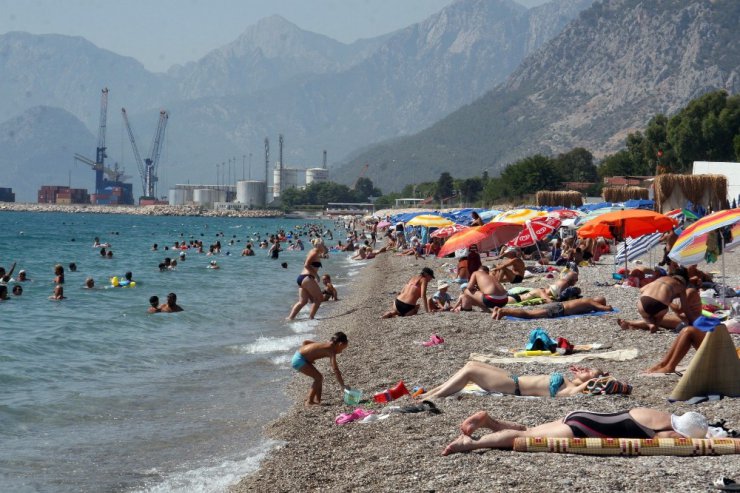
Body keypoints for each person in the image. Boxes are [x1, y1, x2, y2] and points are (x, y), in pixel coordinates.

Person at [442, 408, 709, 455]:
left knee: (530, 429)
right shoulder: (669, 433)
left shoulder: (663, 416)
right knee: (524, 438)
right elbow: (669, 443)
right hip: (585, 430)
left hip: (584, 417)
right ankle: (472, 444)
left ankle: (490, 421)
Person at [420, 362, 607, 399]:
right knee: (471, 363)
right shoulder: (568, 382)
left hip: (513, 386)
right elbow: (589, 381)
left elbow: (591, 385)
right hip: (512, 378)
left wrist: (594, 380)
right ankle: (431, 392)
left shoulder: (570, 390)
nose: (585, 369)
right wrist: (582, 375)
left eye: (590, 371)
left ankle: (434, 396)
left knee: (470, 370)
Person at [616, 268, 696, 333]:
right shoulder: (681, 287)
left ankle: (650, 324)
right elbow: (684, 308)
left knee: (647, 316)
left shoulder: (661, 278)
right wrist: (693, 322)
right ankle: (655, 325)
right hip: (660, 307)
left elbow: (641, 290)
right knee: (659, 316)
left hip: (644, 304)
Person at [291, 332, 349, 405]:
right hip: (299, 360)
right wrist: (342, 385)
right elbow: (335, 369)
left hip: (299, 357)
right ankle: (309, 401)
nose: (341, 352)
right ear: (340, 344)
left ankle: (318, 400)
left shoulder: (326, 344)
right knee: (318, 378)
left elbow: (305, 342)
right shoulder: (331, 351)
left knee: (319, 377)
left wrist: (309, 357)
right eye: (342, 349)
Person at [287, 238, 328, 320]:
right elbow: (306, 265)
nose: (324, 245)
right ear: (318, 245)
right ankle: (311, 318)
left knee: (302, 301)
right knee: (319, 298)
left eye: (324, 244)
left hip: (302, 278)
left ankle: (290, 318)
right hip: (307, 278)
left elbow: (325, 252)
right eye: (322, 244)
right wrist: (316, 275)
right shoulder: (314, 252)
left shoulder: (315, 252)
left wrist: (323, 252)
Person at [491, 296, 613, 320]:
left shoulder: (586, 301)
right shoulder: (590, 301)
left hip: (558, 306)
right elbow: (605, 309)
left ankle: (500, 310)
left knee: (531, 313)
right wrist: (608, 307)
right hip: (558, 310)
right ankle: (503, 311)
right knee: (529, 315)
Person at [510, 272, 579, 303]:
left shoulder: (563, 282)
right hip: (517, 298)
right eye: (576, 279)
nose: (577, 281)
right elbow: (555, 300)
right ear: (571, 279)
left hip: (538, 292)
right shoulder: (565, 284)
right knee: (503, 301)